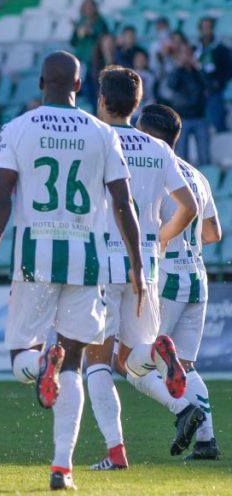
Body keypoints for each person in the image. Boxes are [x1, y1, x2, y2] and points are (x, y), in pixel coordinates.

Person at [0, 51, 143, 491]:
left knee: (19, 358)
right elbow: (124, 203)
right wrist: (138, 266)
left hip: (35, 258)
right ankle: (62, 468)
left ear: (41, 81)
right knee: (75, 366)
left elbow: (1, 199)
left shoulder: (17, 130)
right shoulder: (103, 134)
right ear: (80, 87)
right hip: (88, 261)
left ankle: (38, 361)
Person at [84, 67, 197, 471]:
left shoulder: (96, 140)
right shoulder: (158, 148)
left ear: (101, 100)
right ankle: (181, 404)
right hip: (145, 265)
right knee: (132, 361)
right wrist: (161, 240)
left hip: (103, 261)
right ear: (136, 104)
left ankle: (116, 453)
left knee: (95, 361)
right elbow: (189, 207)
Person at [126, 103, 223, 460]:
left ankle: (181, 410)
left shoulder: (154, 172)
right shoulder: (197, 175)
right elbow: (213, 232)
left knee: (133, 366)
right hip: (198, 276)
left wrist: (163, 240)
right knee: (186, 365)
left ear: (148, 135)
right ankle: (206, 442)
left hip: (167, 278)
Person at [167, 42, 210, 166]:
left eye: (189, 53)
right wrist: (179, 68)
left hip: (199, 116)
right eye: (184, 53)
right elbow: (171, 85)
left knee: (204, 155)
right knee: (181, 156)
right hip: (182, 117)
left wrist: (198, 67)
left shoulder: (198, 71)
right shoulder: (176, 71)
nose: (187, 56)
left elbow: (208, 84)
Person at [196, 17, 232, 132]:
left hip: (215, 89)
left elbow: (228, 69)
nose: (206, 30)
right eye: (204, 27)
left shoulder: (222, 48)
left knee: (217, 119)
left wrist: (218, 83)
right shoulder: (195, 48)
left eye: (209, 27)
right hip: (199, 89)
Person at [70, 0, 109, 103]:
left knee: (92, 86)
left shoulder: (100, 21)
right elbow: (73, 42)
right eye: (86, 7)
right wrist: (77, 31)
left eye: (90, 7)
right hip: (80, 59)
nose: (88, 9)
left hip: (95, 60)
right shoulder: (81, 21)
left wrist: (90, 31)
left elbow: (104, 36)